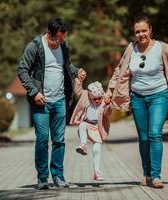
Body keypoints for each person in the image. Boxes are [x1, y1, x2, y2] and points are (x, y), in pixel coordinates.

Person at [105, 15, 168, 188]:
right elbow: (119, 71)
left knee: (154, 134)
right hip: (137, 98)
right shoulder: (131, 49)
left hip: (159, 96)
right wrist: (109, 90)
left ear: (150, 30)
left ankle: (156, 176)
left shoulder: (163, 49)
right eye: (137, 31)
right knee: (143, 138)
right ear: (134, 33)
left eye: (144, 30)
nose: (141, 34)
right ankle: (147, 174)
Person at [17, 18, 86, 190]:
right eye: (57, 39)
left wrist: (77, 71)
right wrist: (34, 92)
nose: (60, 42)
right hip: (41, 102)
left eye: (63, 39)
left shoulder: (63, 46)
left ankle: (58, 176)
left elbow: (66, 65)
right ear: (49, 33)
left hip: (60, 100)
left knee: (59, 140)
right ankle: (42, 178)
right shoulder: (35, 46)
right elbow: (22, 70)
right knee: (42, 140)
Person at [70, 78, 112, 181]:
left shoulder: (104, 102)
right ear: (90, 96)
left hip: (98, 128)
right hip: (87, 124)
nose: (97, 101)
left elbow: (108, 113)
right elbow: (78, 91)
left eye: (99, 98)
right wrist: (79, 80)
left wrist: (107, 104)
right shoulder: (85, 96)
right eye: (95, 99)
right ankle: (83, 144)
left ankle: (96, 172)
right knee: (82, 125)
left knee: (97, 149)